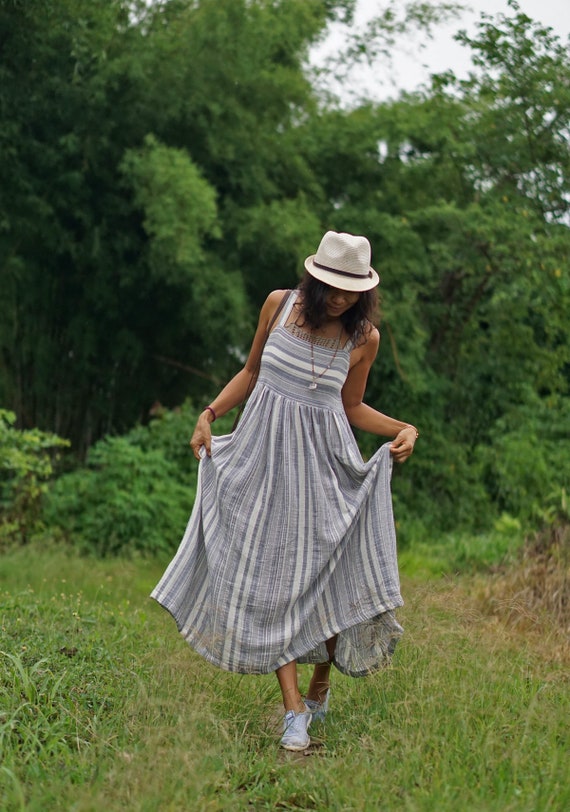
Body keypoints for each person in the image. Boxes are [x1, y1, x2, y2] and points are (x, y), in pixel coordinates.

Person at [151, 230, 418, 751]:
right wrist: (209, 415)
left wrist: (403, 428)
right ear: (313, 277)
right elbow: (250, 372)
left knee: (333, 578)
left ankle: (319, 689)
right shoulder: (279, 306)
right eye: (331, 285)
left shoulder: (364, 339)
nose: (339, 297)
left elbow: (352, 407)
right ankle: (293, 710)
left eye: (350, 289)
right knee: (272, 582)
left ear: (364, 290)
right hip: (264, 464)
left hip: (325, 468)